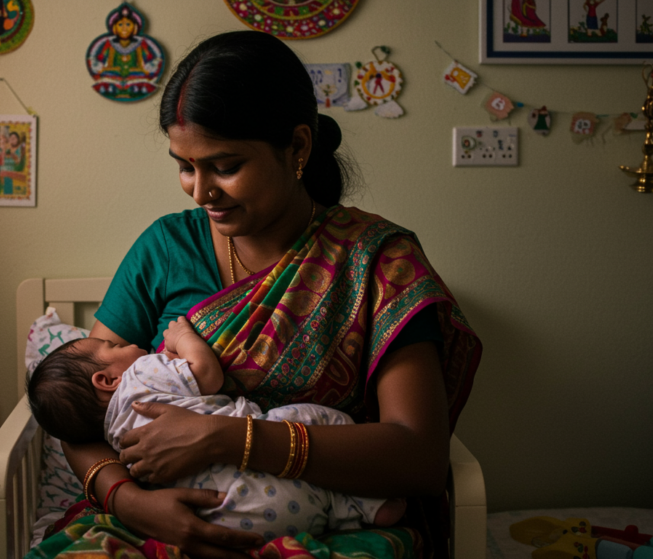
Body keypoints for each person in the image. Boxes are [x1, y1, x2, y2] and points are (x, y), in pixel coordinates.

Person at [45, 31, 482, 559]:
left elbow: (419, 457)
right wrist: (129, 501)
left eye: (225, 166)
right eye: (186, 166)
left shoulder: (378, 262)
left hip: (333, 530)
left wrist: (228, 438)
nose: (201, 192)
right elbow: (81, 411)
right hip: (159, 524)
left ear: (297, 147)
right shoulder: (164, 248)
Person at [28, 318, 408, 539]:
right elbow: (205, 376)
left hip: (231, 519)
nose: (130, 343)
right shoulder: (142, 373)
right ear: (107, 380)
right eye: (114, 344)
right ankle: (362, 504)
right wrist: (182, 339)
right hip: (292, 464)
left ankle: (342, 509)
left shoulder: (113, 434)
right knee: (321, 420)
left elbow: (76, 426)